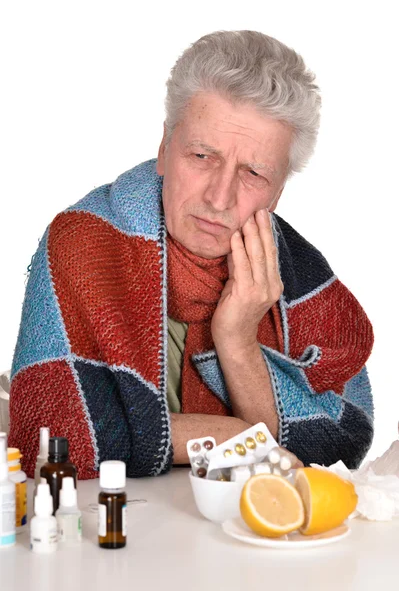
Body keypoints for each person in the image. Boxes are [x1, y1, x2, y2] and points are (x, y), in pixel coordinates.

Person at [8, 30, 374, 479]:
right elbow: (52, 438)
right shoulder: (84, 242)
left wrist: (237, 337)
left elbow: (332, 453)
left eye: (254, 173)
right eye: (202, 155)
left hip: (241, 538)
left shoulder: (302, 279)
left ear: (278, 192)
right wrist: (230, 435)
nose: (220, 198)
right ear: (164, 149)